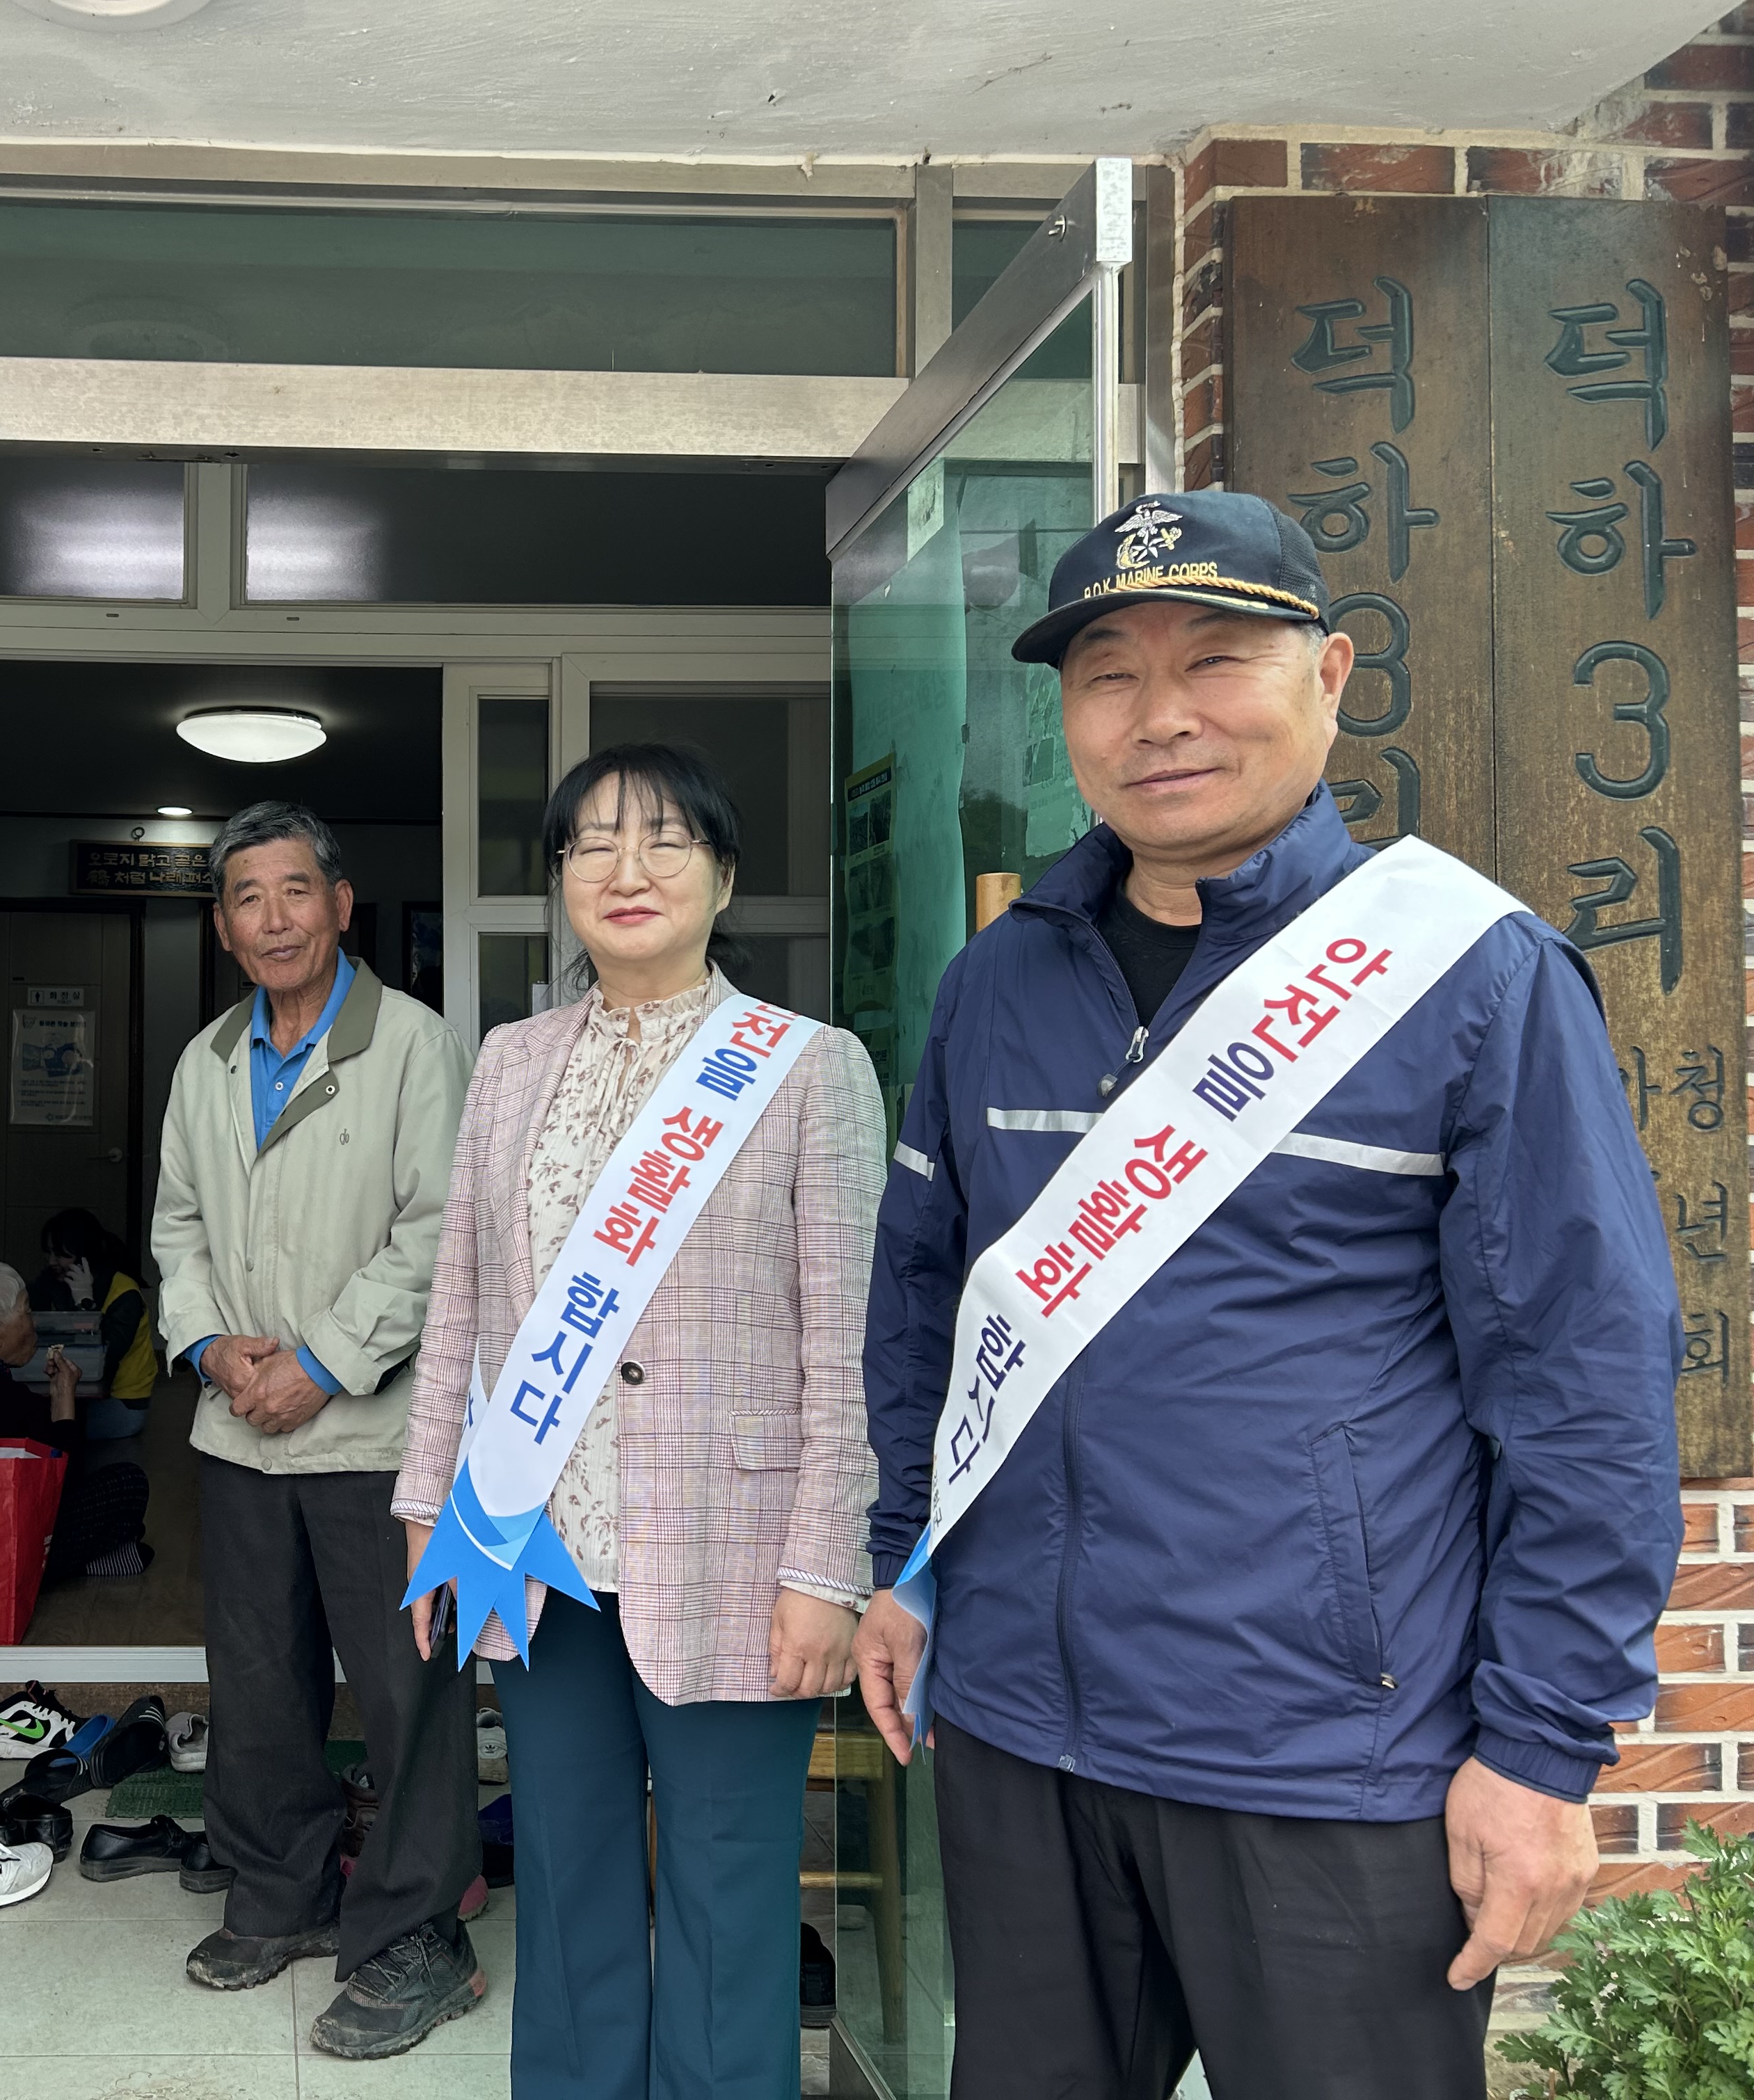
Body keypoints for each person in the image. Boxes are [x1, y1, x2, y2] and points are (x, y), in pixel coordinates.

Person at [851, 491, 1683, 2100]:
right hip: (1020, 1732)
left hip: (1326, 1756)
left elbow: (1581, 1388)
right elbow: (925, 1300)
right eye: (1108, 674)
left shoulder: (1470, 974)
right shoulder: (995, 982)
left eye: (1215, 660)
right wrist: (907, 1557)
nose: (1160, 715)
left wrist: (1539, 1749)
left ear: (1333, 676)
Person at [394, 744, 884, 2100]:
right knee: (566, 1883)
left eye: (665, 839)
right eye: (592, 842)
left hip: (739, 1553)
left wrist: (825, 1568)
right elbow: (462, 1302)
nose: (627, 868)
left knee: (728, 1905)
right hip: (533, 1544)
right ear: (559, 879)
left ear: (722, 876)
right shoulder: (509, 1064)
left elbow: (850, 1344)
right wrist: (431, 1507)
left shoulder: (808, 1068)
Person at [150, 799, 481, 2058]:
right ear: (223, 925)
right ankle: (278, 1891)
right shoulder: (206, 1060)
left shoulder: (414, 1044)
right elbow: (177, 1227)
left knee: (405, 1687)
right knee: (255, 1680)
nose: (274, 917)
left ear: (341, 905)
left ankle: (419, 1932)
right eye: (248, 896)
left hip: (376, 1434)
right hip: (240, 1430)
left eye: (296, 890)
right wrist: (208, 1346)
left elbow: (439, 1230)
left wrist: (326, 1361)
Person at [0, 1263, 154, 1578]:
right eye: (27, 1311)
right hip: (7, 1551)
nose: (34, 1323)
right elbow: (64, 1489)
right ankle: (86, 1564)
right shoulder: (17, 1404)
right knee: (129, 1481)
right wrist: (64, 1400)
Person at [33, 1205, 161, 1438]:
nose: (52, 1261)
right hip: (68, 1393)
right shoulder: (53, 1282)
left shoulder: (125, 1294)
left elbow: (102, 1359)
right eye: (49, 1252)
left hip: (119, 1403)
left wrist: (85, 1304)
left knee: (41, 1429)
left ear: (86, 1256)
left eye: (61, 1254)